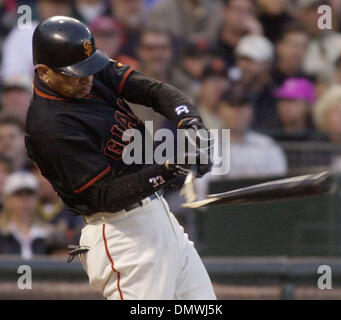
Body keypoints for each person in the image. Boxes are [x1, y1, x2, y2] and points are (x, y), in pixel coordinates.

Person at [25, 16, 215, 300]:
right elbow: (105, 195)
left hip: (158, 216)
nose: (88, 78)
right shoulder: (49, 127)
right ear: (44, 72)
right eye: (77, 74)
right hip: (120, 233)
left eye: (89, 69)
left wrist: (191, 124)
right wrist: (171, 167)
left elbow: (154, 91)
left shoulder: (85, 69)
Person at [0, 171, 54, 259]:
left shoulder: (48, 233)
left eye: (29, 195)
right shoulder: (2, 232)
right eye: (19, 195)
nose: (25, 200)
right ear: (7, 199)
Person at [232, 34, 277, 129]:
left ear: (267, 64)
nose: (244, 66)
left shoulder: (275, 96)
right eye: (242, 59)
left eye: (251, 61)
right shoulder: (229, 91)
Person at [214, 0, 261, 68]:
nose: (243, 16)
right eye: (238, 10)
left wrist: (256, 39)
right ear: (225, 11)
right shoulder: (213, 40)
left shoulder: (255, 37)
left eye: (248, 11)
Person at [271, 23, 311, 87]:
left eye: (303, 46)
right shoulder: (265, 80)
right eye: (293, 45)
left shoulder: (311, 82)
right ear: (279, 46)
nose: (298, 51)